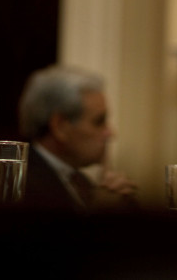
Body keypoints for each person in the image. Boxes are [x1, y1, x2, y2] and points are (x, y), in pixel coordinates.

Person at [18, 65, 138, 212]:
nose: (110, 133)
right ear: (60, 127)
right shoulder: (20, 184)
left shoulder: (83, 183)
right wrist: (101, 214)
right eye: (99, 122)